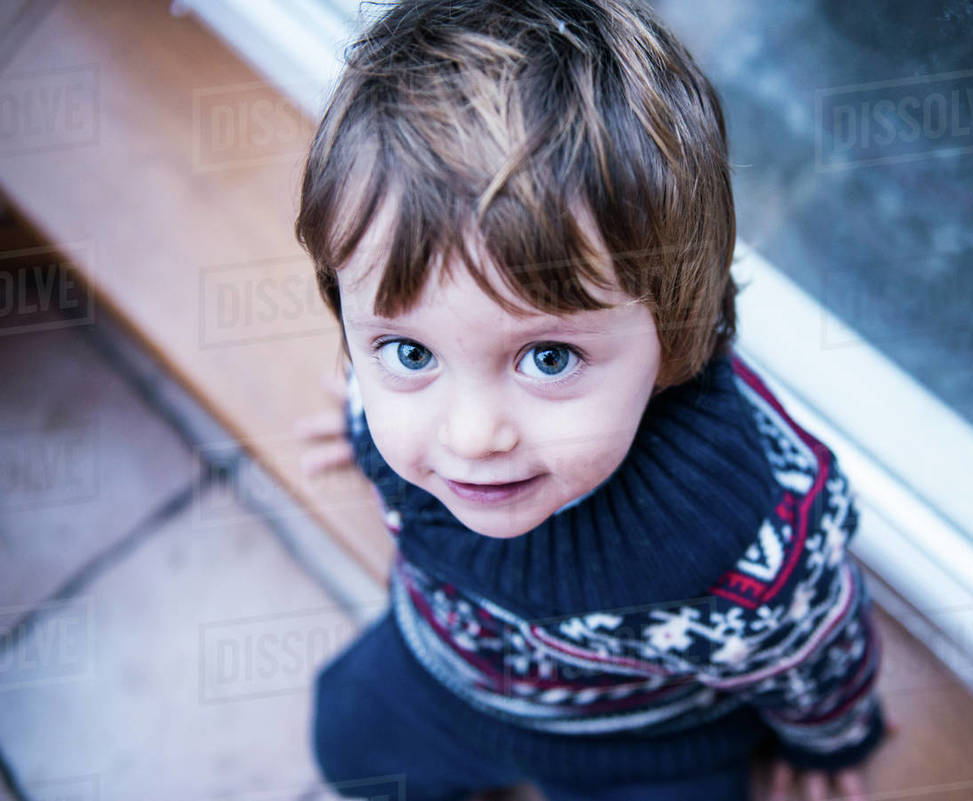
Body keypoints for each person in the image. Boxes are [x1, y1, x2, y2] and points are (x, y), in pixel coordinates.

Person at [292, 1, 893, 799]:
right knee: (349, 740)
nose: (471, 437)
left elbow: (820, 650)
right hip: (441, 673)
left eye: (547, 357)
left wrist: (829, 740)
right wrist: (358, 421)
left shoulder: (756, 540)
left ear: (676, 335)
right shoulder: (391, 417)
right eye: (410, 352)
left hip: (647, 748)